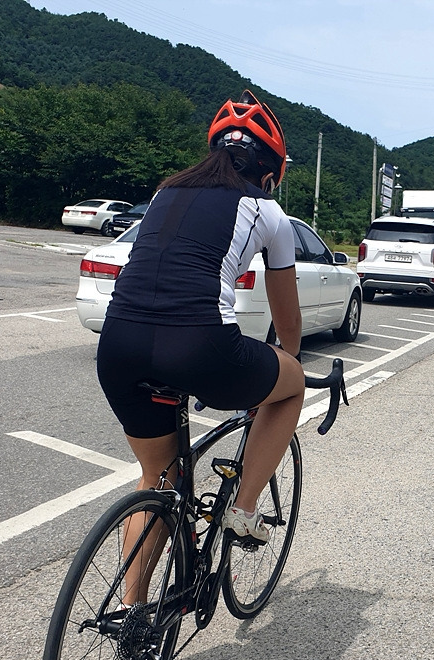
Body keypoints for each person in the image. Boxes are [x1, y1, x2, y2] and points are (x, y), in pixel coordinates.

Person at [95, 90, 305, 604]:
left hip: (118, 344)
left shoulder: (166, 193)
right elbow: (288, 322)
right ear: (270, 172)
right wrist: (284, 364)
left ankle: (133, 615)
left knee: (158, 478)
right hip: (200, 344)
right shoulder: (269, 212)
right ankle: (244, 511)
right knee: (293, 384)